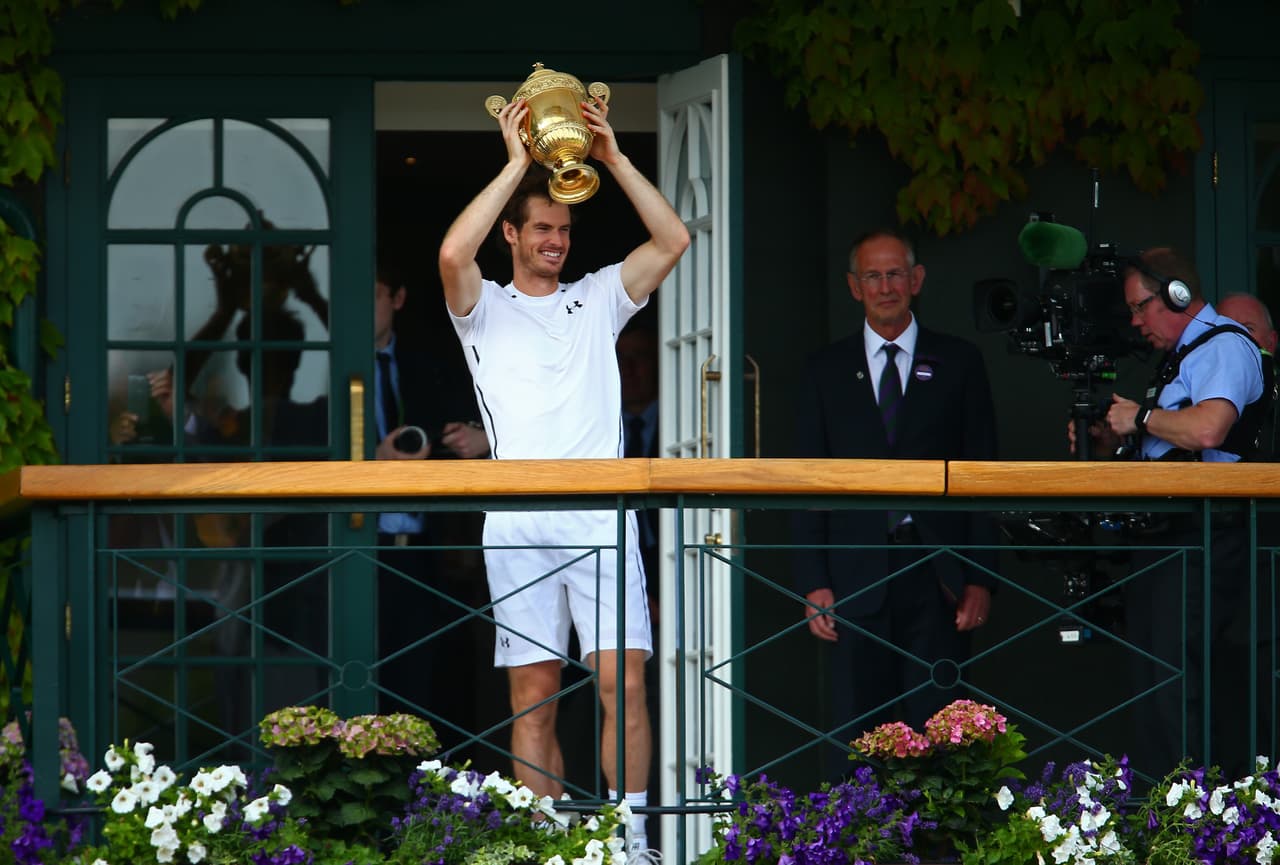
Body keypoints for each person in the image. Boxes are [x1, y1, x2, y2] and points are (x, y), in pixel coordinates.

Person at [438, 91, 689, 857]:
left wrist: (613, 158)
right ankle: (545, 844)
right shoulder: (481, 307)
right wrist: (515, 162)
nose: (555, 240)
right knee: (533, 699)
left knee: (624, 684)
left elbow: (673, 237)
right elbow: (452, 255)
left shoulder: (598, 296)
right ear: (511, 232)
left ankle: (631, 842)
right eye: (541, 228)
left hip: (599, 514)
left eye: (564, 229)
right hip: (516, 516)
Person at [791, 228, 998, 781]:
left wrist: (981, 577)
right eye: (873, 276)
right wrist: (813, 581)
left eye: (896, 274)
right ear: (854, 287)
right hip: (854, 574)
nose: (886, 287)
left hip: (939, 574)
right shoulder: (825, 370)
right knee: (858, 729)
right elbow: (807, 481)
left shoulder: (958, 362)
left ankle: (945, 849)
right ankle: (859, 845)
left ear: (917, 280)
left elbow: (985, 474)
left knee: (947, 727)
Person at [1068, 248, 1268, 775]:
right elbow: (1166, 437)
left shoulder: (1223, 344)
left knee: (1177, 687)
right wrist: (1114, 434)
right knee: (1157, 685)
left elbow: (1208, 429)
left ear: (1177, 295)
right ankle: (1166, 817)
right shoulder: (1184, 356)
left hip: (1203, 535)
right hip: (1168, 539)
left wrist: (1142, 417)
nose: (1135, 322)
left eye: (1140, 307)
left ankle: (1189, 826)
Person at [372, 261, 490, 726]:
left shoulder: (434, 362)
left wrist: (476, 437)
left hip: (428, 551)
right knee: (356, 674)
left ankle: (421, 793)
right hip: (356, 547)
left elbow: (484, 416)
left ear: (397, 299)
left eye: (373, 294)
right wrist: (372, 462)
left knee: (426, 683)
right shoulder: (324, 367)